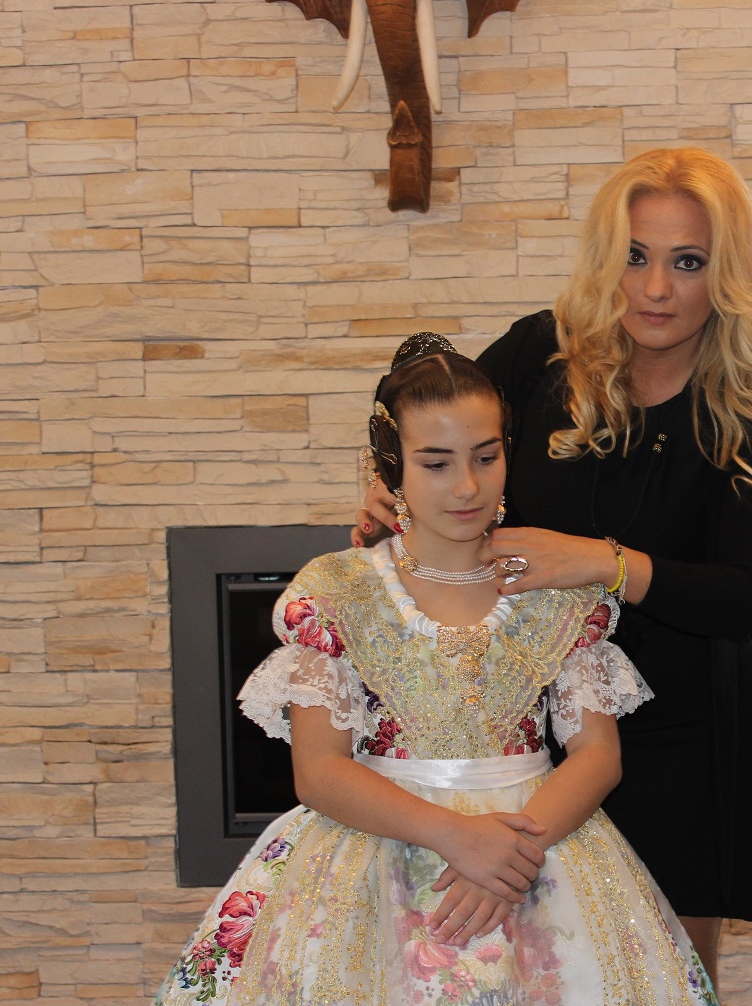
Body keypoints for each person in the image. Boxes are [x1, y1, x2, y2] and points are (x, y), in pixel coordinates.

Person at [154, 334, 718, 1005]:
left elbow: (597, 754)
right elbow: (319, 770)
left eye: (486, 456)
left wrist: (510, 860)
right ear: (391, 467)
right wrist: (457, 837)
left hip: (538, 844)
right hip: (379, 846)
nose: (468, 485)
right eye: (436, 463)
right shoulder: (338, 591)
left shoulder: (553, 588)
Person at [353, 148, 752, 984]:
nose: (656, 288)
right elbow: (439, 425)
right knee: (519, 973)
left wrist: (596, 562)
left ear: (726, 273)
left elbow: (739, 596)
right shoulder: (539, 354)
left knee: (662, 977)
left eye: (688, 262)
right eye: (635, 255)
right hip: (525, 721)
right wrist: (391, 490)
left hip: (681, 730)